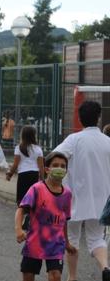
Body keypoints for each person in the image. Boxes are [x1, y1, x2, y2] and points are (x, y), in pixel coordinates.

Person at [52, 101, 110, 281]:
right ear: (99, 117)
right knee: (96, 238)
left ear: (79, 118)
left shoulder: (73, 140)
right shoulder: (108, 142)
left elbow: (54, 157)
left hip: (74, 197)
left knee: (72, 238)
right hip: (101, 198)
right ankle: (106, 267)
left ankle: (73, 277)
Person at [15, 152, 75, 281]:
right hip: (35, 241)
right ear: (47, 169)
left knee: (55, 276)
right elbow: (21, 210)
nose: (59, 168)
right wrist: (18, 229)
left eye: (63, 166)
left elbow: (64, 220)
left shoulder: (67, 194)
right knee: (28, 275)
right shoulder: (37, 189)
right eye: (55, 165)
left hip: (56, 243)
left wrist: (67, 243)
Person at [5, 126, 44, 206]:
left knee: (22, 200)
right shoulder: (38, 149)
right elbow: (41, 166)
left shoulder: (18, 148)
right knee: (33, 199)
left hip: (23, 175)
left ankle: (22, 215)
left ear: (22, 135)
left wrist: (10, 174)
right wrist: (42, 179)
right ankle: (30, 216)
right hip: (34, 175)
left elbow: (15, 164)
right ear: (34, 136)